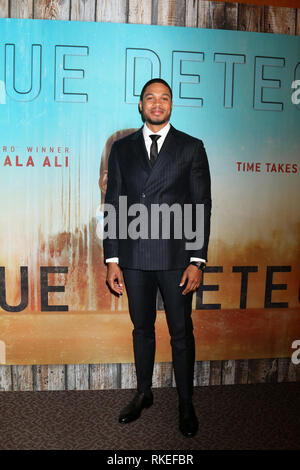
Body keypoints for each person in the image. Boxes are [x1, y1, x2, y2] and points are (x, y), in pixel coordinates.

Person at [103, 78, 211, 437]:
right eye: (150, 97)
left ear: (171, 105)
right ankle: (144, 393)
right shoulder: (121, 149)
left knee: (181, 332)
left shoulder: (191, 148)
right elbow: (114, 204)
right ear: (140, 105)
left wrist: (197, 260)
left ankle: (185, 401)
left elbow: (200, 205)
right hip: (133, 258)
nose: (157, 103)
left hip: (176, 259)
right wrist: (112, 259)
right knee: (142, 329)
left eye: (164, 98)